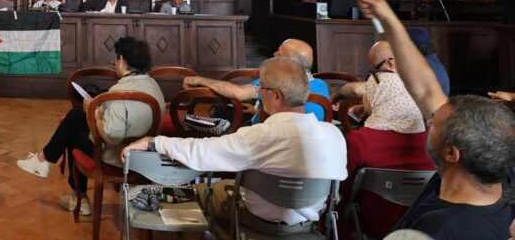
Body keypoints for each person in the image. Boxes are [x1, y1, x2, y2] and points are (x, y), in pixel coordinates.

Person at [354, 0, 515, 240]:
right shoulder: (499, 183)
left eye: (435, 125)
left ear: (452, 153)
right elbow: (426, 89)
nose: (429, 121)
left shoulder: (438, 230)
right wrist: (389, 20)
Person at [122, 57, 347, 232]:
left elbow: (201, 152)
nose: (258, 94)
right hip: (308, 229)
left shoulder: (259, 135)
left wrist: (155, 141)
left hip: (253, 223)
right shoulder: (335, 137)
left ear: (277, 96)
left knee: (203, 190)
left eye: (261, 89)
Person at [17, 37, 165, 216]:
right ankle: (44, 159)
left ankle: (76, 195)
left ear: (121, 60)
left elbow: (111, 138)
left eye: (116, 58)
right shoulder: (153, 84)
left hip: (122, 156)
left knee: (73, 134)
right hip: (146, 153)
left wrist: (93, 113)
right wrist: (97, 111)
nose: (114, 62)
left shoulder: (118, 93)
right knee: (75, 116)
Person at [335, 41, 436, 238]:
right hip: (420, 226)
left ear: (376, 95)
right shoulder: (433, 141)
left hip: (371, 227)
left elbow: (343, 191)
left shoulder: (360, 141)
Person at [183, 38, 330, 122]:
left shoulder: (275, 81)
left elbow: (238, 93)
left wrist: (198, 80)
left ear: (289, 63)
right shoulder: (321, 86)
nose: (274, 54)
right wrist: (257, 109)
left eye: (279, 53)